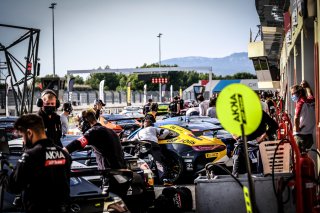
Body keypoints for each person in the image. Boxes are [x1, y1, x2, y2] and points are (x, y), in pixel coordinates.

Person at [3, 114, 71, 213]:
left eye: (22, 136)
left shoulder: (30, 156)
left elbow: (13, 187)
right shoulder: (64, 154)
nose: (23, 140)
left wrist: (2, 176)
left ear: (29, 133)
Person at [63, 110, 127, 195]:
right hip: (121, 174)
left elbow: (78, 143)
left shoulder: (94, 131)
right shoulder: (110, 131)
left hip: (111, 176)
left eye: (79, 125)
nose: (79, 128)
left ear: (85, 123)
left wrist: (63, 151)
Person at [232, 111, 278, 176]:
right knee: (237, 175)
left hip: (257, 148)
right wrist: (234, 135)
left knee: (258, 175)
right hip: (241, 147)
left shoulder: (260, 113)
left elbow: (274, 126)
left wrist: (261, 137)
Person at [131, 115, 170, 184]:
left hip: (143, 144)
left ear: (150, 123)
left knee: (137, 160)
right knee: (158, 162)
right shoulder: (150, 129)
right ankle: (164, 179)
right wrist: (160, 137)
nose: (145, 122)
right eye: (145, 121)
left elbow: (132, 140)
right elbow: (166, 132)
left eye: (147, 121)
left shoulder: (150, 129)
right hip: (151, 144)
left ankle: (136, 178)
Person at [290, 84, 316, 152]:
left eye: (293, 93)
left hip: (300, 137)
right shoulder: (311, 100)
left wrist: (297, 128)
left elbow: (296, 117)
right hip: (309, 136)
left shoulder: (300, 102)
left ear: (300, 93)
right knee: (305, 157)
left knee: (298, 159)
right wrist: (307, 87)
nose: (292, 96)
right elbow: (310, 94)